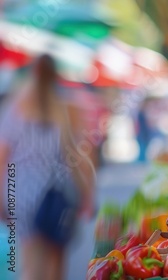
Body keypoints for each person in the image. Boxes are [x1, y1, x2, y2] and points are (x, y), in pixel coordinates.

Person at [0, 54, 95, 280]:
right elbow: (78, 155)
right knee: (55, 261)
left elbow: (3, 158)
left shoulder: (15, 107)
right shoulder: (64, 108)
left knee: (30, 264)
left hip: (19, 193)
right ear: (55, 75)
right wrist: (87, 193)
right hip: (56, 193)